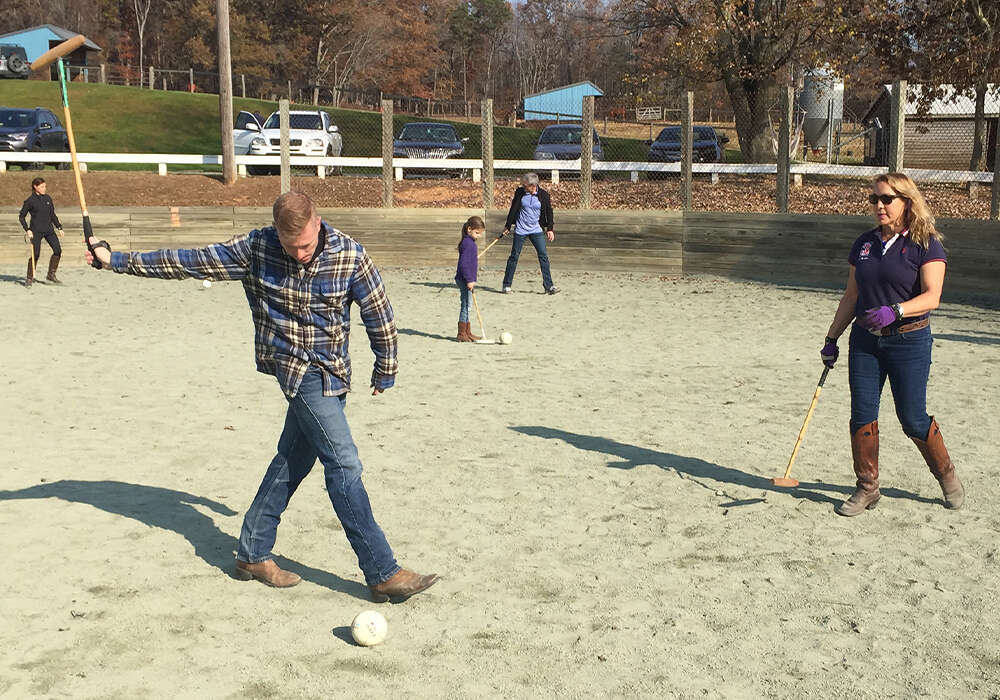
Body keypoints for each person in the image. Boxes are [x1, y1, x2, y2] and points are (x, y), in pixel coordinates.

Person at [85, 190, 439, 602]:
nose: (301, 254)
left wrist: (386, 366)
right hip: (297, 372)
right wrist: (116, 261)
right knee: (344, 464)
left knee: (294, 459)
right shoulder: (256, 249)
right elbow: (187, 261)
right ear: (277, 233)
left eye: (306, 244)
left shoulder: (350, 255)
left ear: (317, 222)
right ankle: (382, 572)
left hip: (334, 374)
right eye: (292, 247)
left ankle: (252, 551)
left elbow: (379, 313)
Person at [821, 173, 964, 517]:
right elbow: (852, 295)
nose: (879, 206)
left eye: (886, 199)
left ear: (907, 201)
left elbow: (933, 296)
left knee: (912, 418)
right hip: (865, 342)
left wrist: (896, 311)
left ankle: (946, 475)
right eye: (875, 200)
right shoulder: (865, 244)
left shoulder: (926, 243)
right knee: (862, 415)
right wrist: (832, 337)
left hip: (909, 341)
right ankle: (867, 487)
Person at [500, 172, 560, 295]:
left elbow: (549, 212)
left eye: (525, 185)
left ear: (532, 185)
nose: (523, 186)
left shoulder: (543, 195)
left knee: (543, 256)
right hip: (521, 230)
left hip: (536, 230)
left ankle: (549, 286)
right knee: (514, 256)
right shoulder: (520, 192)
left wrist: (550, 228)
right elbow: (513, 209)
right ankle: (506, 285)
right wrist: (508, 225)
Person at [19, 177, 64, 287]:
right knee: (36, 254)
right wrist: (28, 230)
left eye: (45, 186)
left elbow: (52, 214)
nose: (45, 188)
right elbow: (21, 216)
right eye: (42, 186)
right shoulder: (30, 201)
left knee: (58, 250)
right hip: (36, 231)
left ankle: (51, 274)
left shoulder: (48, 198)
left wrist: (59, 227)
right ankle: (29, 278)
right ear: (35, 187)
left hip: (49, 230)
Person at [455, 215, 485, 342]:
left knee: (468, 304)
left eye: (480, 233)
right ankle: (462, 333)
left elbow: (468, 260)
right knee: (466, 305)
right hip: (465, 279)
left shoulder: (469, 243)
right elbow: (463, 264)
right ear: (469, 229)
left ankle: (468, 332)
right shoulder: (468, 244)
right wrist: (469, 280)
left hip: (466, 279)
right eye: (477, 233)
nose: (478, 236)